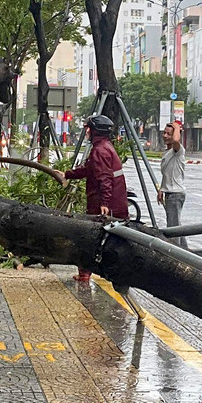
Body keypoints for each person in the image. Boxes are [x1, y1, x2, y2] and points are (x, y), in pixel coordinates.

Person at [64, 114, 125, 284]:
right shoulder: (104, 147)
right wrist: (67, 174)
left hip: (102, 202)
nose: (87, 132)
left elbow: (105, 178)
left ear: (96, 131)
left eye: (89, 129)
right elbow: (88, 169)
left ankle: (86, 273)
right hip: (109, 200)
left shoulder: (100, 150)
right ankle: (86, 272)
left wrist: (105, 202)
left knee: (91, 237)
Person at [157, 122, 187, 248]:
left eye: (169, 134)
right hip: (170, 193)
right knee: (176, 226)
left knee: (173, 230)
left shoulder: (178, 151)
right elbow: (167, 174)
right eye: (164, 133)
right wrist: (161, 190)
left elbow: (176, 140)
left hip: (175, 194)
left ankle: (174, 253)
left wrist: (177, 127)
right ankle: (185, 252)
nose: (165, 136)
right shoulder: (167, 151)